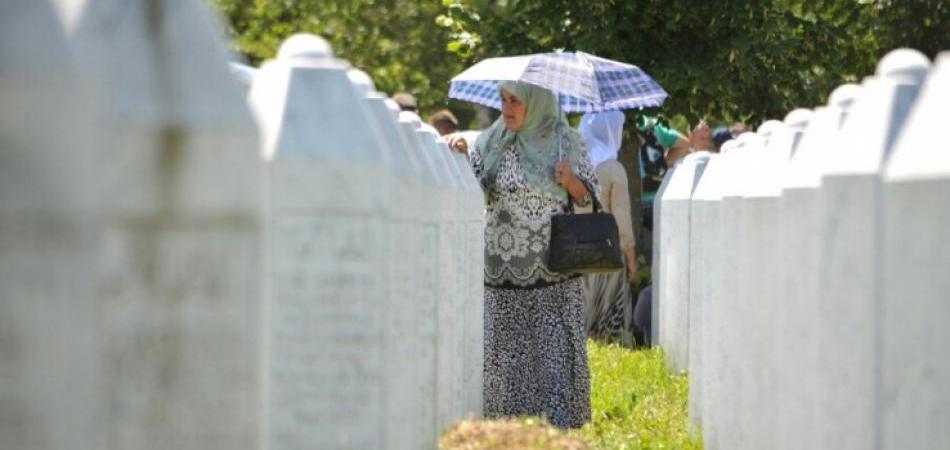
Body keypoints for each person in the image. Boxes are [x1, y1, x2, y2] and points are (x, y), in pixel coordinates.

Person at [445, 80, 595, 429]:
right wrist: (464, 157)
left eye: (516, 101)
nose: (507, 108)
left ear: (537, 102)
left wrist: (572, 183)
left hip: (553, 278)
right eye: (503, 100)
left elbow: (591, 203)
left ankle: (555, 436)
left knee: (551, 364)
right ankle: (506, 436)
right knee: (504, 365)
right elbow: (476, 191)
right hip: (502, 276)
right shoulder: (491, 141)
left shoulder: (565, 141)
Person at [577, 111, 638, 347]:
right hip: (607, 253)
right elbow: (621, 220)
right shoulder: (613, 168)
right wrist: (631, 259)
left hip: (577, 250)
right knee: (608, 325)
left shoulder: (575, 163)